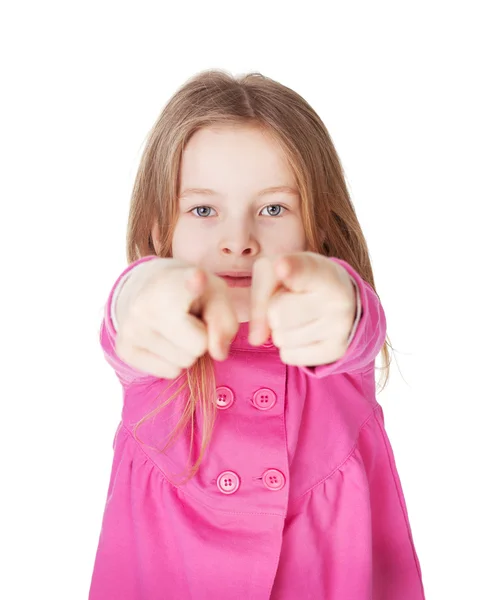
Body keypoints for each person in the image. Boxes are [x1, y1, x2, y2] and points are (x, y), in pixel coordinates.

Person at [89, 69, 425, 599]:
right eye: (203, 210)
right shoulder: (153, 346)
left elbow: (355, 320)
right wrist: (140, 295)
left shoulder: (335, 344)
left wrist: (343, 298)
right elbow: (130, 313)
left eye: (273, 208)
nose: (239, 241)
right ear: (159, 227)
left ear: (317, 226)